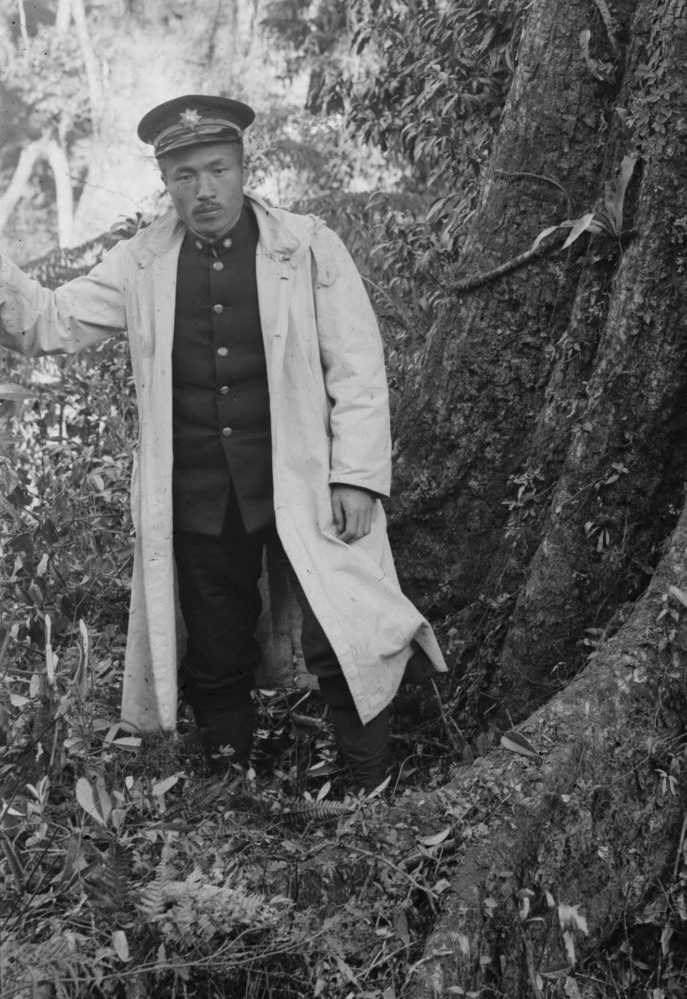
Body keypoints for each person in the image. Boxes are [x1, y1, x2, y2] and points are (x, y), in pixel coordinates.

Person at [0, 96, 443, 789]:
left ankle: (368, 785)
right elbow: (47, 324)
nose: (202, 190)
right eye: (183, 175)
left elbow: (357, 365)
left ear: (243, 168)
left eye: (215, 170)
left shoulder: (305, 246)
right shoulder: (140, 264)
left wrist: (356, 475)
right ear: (164, 180)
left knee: (345, 629)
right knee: (215, 646)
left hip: (305, 482)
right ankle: (230, 789)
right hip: (200, 494)